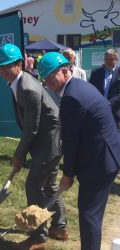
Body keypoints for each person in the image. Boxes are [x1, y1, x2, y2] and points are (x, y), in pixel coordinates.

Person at [39, 52, 120, 250]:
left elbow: (71, 141)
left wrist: (68, 174)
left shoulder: (72, 98)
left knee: (88, 214)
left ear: (65, 71)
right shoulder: (81, 87)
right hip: (106, 154)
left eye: (52, 76)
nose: (49, 82)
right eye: (45, 79)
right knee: (93, 213)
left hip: (100, 161)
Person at [0, 44, 67, 250]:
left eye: (6, 66)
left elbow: (32, 129)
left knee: (33, 186)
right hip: (49, 139)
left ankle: (38, 238)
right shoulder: (17, 83)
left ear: (19, 64)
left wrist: (19, 156)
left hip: (49, 142)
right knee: (49, 185)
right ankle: (60, 227)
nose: (2, 70)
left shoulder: (28, 88)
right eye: (0, 66)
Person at [89, 49, 120, 131]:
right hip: (98, 110)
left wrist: (109, 103)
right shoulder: (96, 72)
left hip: (115, 112)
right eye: (106, 59)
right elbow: (91, 90)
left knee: (115, 139)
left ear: (116, 60)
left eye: (111, 59)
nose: (108, 61)